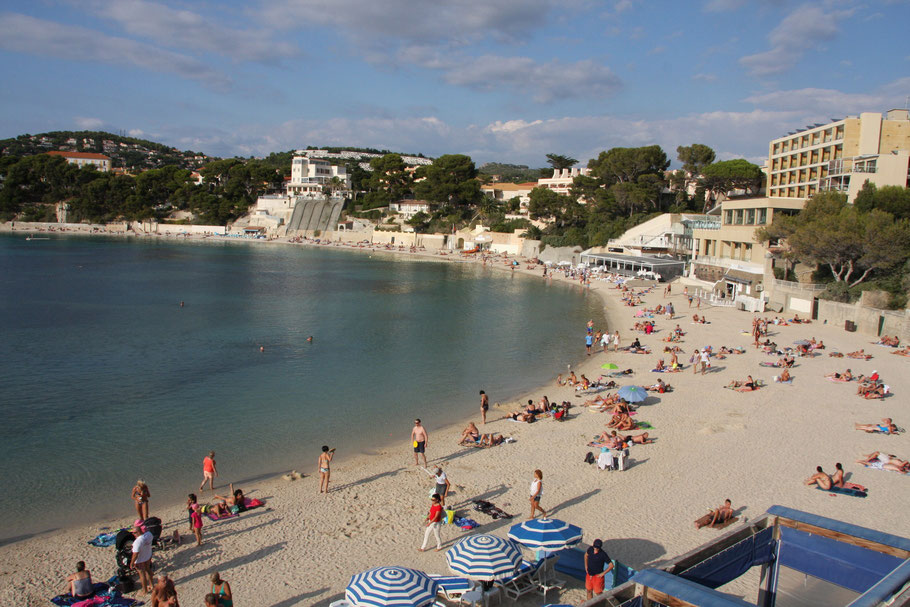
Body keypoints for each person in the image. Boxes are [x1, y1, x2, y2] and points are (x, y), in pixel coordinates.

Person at [130, 524, 154, 595]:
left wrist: (132, 562)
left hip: (140, 559)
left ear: (138, 532)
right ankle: (152, 585)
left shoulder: (137, 542)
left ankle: (145, 590)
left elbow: (135, 554)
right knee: (148, 570)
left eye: (134, 533)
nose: (133, 534)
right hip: (148, 555)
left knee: (142, 574)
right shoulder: (149, 535)